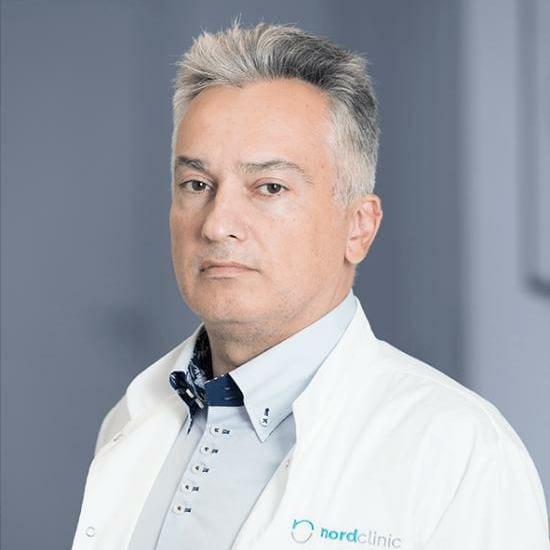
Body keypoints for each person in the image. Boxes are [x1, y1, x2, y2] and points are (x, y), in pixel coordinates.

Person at [71, 21, 550, 550]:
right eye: (197, 184)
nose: (217, 224)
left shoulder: (462, 453)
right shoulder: (134, 419)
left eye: (269, 187)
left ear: (358, 227)